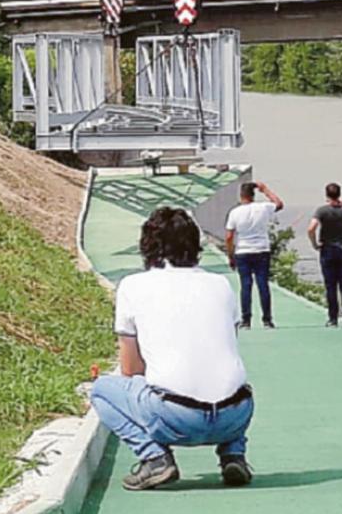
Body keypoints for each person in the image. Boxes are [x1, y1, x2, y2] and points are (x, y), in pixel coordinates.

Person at [90, 207, 256, 491]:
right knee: (228, 378)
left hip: (176, 418)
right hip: (235, 414)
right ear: (195, 246)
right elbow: (226, 345)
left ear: (147, 247)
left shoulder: (132, 285)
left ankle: (154, 458)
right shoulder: (221, 284)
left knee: (101, 390)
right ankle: (233, 455)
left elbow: (131, 369)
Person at [224, 181, 283, 329]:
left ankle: (246, 320)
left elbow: (229, 237)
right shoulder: (263, 208)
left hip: (243, 251)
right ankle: (267, 320)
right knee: (263, 284)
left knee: (246, 285)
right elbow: (279, 204)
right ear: (253, 195)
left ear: (241, 195)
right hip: (262, 249)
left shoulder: (234, 212)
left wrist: (231, 256)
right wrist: (266, 190)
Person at [308, 183, 342, 326]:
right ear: (339, 194)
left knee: (330, 286)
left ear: (326, 195)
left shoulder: (322, 211)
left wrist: (315, 244)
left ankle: (333, 319)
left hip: (327, 250)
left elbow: (311, 228)